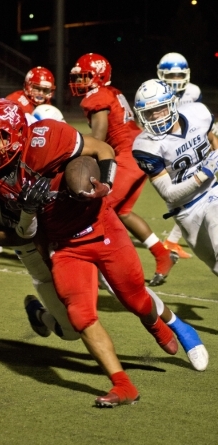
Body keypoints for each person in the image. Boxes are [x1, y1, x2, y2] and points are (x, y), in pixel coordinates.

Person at [0, 98, 208, 407]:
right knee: (80, 317)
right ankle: (123, 386)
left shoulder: (47, 137)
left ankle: (157, 325)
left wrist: (104, 186)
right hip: (65, 246)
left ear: (16, 131)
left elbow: (103, 150)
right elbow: (28, 231)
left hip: (100, 226)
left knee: (134, 299)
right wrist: (29, 216)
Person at [68, 53, 178, 287]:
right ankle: (162, 254)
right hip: (140, 151)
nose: (80, 82)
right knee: (123, 211)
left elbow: (98, 137)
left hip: (129, 156)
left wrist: (69, 143)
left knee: (96, 208)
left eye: (85, 77)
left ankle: (98, 265)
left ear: (99, 76)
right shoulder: (111, 92)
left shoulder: (97, 97)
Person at [132, 79, 218, 277]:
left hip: (212, 192)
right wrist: (205, 172)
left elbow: (212, 140)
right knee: (215, 266)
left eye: (160, 109)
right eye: (148, 113)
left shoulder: (198, 114)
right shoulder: (145, 146)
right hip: (185, 211)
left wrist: (213, 163)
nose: (155, 117)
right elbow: (169, 195)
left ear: (171, 104)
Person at [157, 52, 202, 259]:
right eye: (171, 76)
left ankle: (172, 241)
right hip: (167, 151)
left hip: (190, 146)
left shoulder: (193, 91)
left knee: (192, 194)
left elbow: (200, 115)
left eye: (179, 75)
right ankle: (172, 242)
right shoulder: (156, 92)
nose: (176, 81)